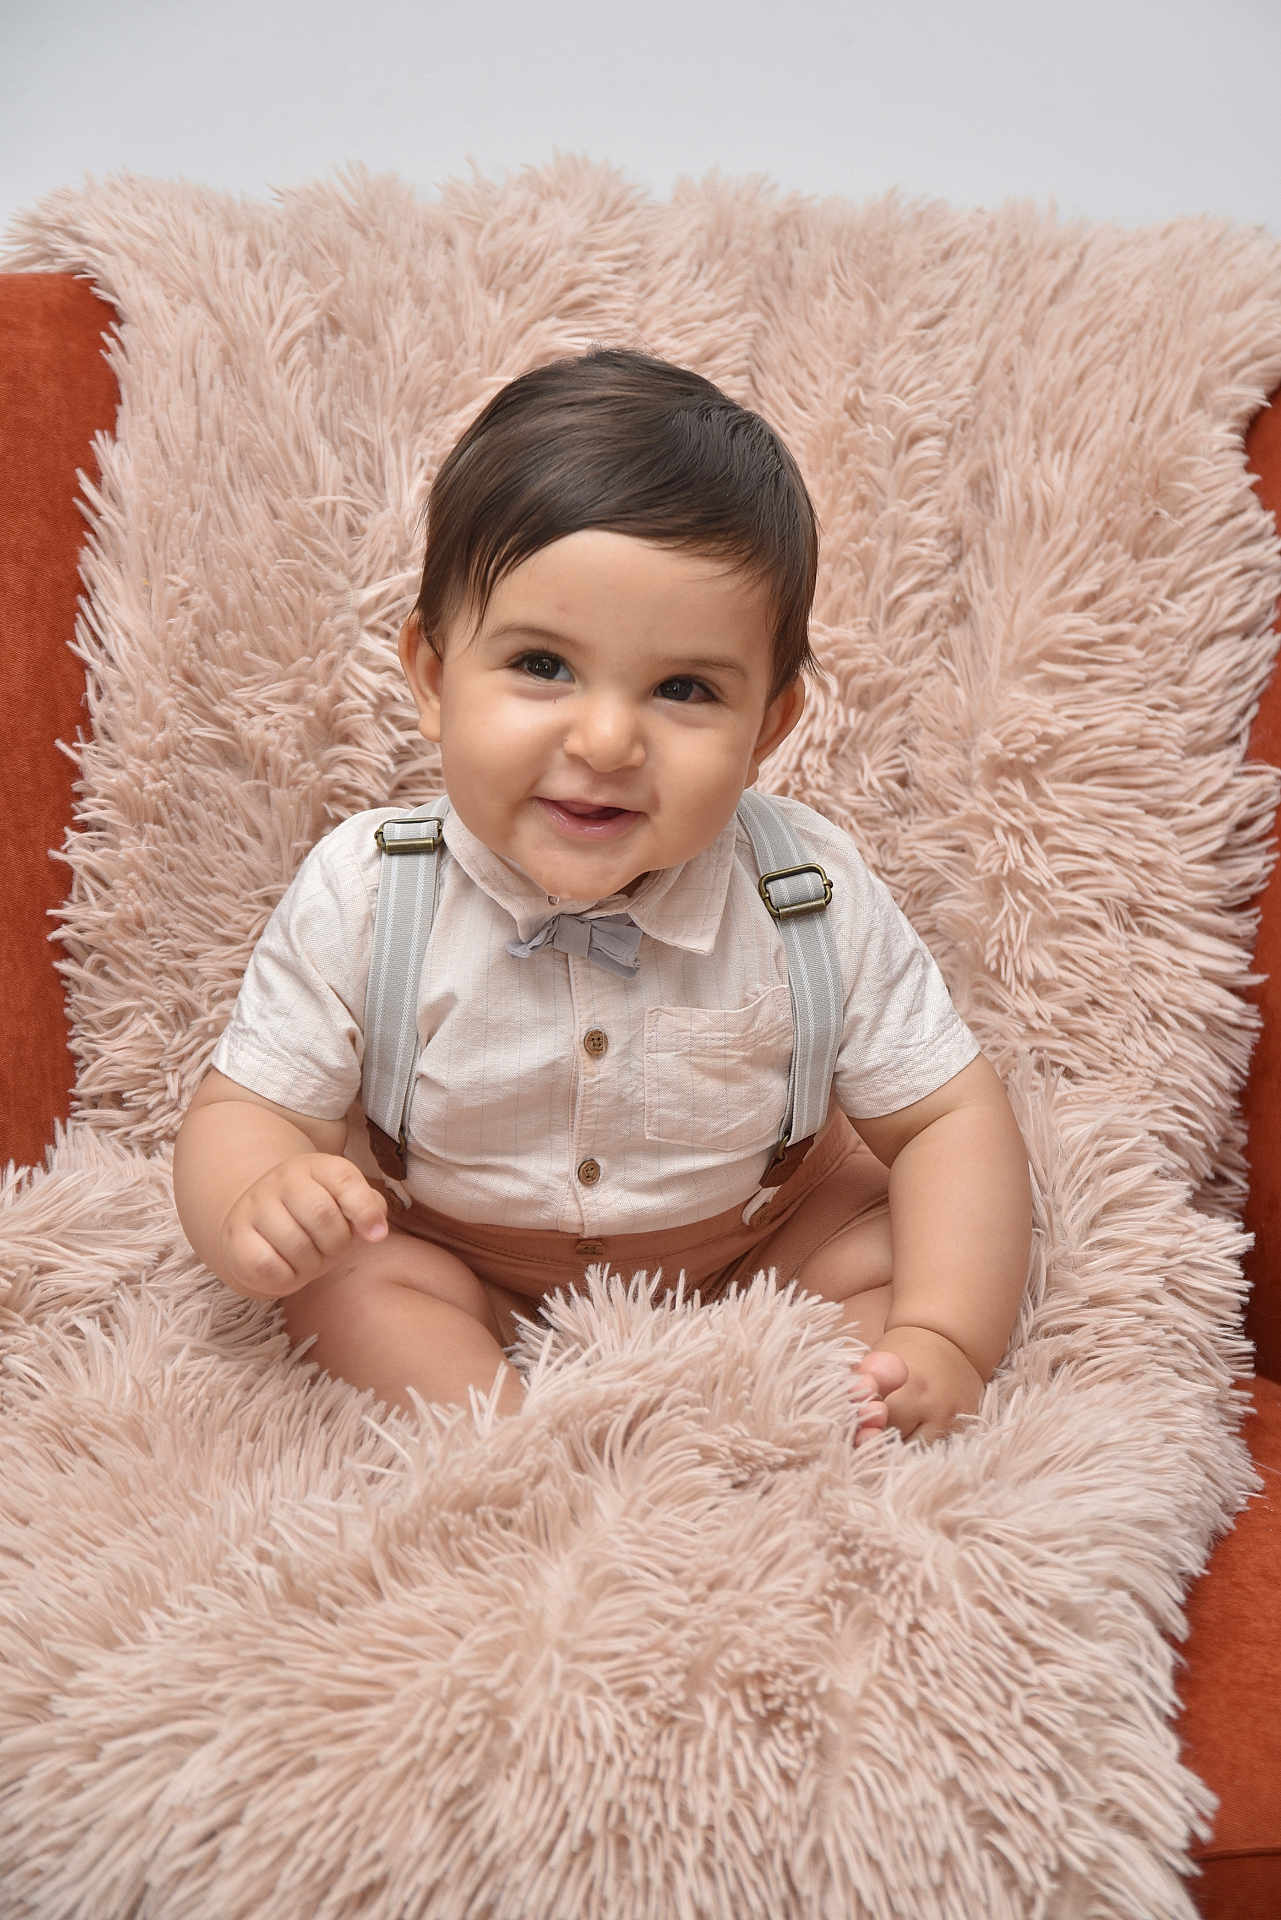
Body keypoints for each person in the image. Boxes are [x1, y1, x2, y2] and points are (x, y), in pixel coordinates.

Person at [173, 346, 1032, 1446]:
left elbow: (947, 1117)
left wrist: (948, 1334)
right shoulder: (371, 889)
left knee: (894, 1241)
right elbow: (250, 1111)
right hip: (461, 1257)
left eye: (684, 689)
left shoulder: (806, 891)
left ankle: (805, 1417)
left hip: (753, 1254)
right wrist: (255, 1202)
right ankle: (522, 1449)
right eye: (542, 666)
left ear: (768, 727)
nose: (607, 740)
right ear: (436, 679)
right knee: (344, 1283)